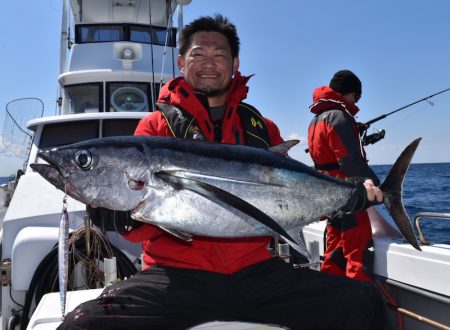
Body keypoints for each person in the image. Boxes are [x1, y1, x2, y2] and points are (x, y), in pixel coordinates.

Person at [59, 16, 389, 330]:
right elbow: (143, 217)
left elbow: (293, 199)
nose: (208, 62)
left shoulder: (260, 128)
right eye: (197, 53)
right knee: (82, 324)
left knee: (363, 302)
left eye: (219, 54)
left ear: (235, 64)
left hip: (256, 273)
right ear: (181, 63)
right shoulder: (155, 128)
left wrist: (345, 199)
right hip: (174, 277)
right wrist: (121, 218)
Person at [307, 70, 380, 283]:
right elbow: (350, 162)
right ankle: (359, 302)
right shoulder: (340, 116)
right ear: (348, 93)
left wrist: (352, 129)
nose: (357, 101)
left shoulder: (317, 119)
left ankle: (333, 297)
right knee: (357, 253)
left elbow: (326, 153)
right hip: (349, 195)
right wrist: (377, 187)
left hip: (329, 196)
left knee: (334, 250)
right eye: (357, 96)